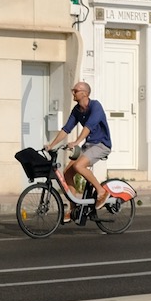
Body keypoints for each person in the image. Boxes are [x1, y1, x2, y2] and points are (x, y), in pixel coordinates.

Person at [44, 82, 111, 215]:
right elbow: (66, 129)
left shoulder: (95, 106)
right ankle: (73, 207)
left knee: (79, 166)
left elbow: (88, 127)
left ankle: (101, 191)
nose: (73, 93)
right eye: (73, 90)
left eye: (75, 91)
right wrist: (51, 145)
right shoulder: (77, 110)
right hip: (89, 146)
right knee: (67, 173)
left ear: (84, 93)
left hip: (101, 145)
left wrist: (76, 142)